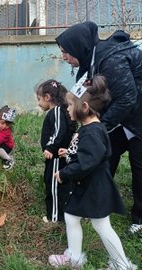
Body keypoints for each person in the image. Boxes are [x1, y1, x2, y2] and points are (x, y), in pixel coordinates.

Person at [56, 21, 142, 235]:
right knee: (103, 159)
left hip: (138, 120)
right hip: (121, 119)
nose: (64, 57)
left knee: (139, 168)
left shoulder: (111, 59)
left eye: (66, 52)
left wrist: (98, 127)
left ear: (79, 47)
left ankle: (139, 218)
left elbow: (127, 98)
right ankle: (97, 205)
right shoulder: (92, 61)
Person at [48, 75, 137, 270]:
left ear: (85, 107)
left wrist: (64, 173)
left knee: (102, 226)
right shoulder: (90, 129)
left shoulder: (93, 132)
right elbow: (90, 154)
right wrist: (71, 152)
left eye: (71, 106)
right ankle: (74, 257)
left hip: (95, 187)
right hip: (89, 184)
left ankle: (121, 264)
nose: (68, 109)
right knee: (71, 217)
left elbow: (88, 162)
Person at [36, 80, 76, 223]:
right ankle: (64, 215)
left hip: (56, 158)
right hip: (61, 156)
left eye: (39, 99)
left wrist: (50, 147)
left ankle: (54, 217)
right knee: (61, 185)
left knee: (53, 185)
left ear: (47, 97)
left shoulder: (57, 111)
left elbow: (59, 131)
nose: (39, 103)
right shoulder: (61, 111)